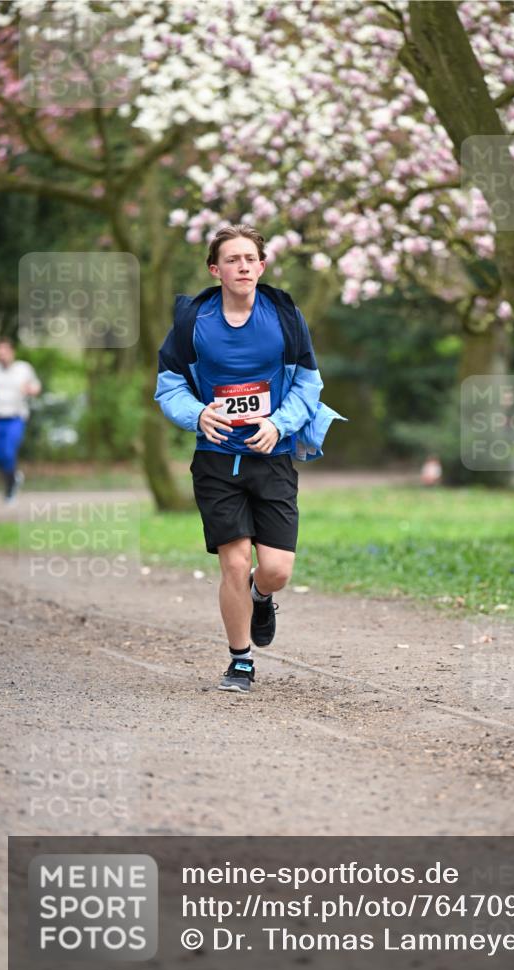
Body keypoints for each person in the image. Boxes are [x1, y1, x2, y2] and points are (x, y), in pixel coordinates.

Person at [154, 224, 345, 693]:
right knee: (235, 564)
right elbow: (169, 386)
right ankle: (240, 661)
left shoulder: (283, 317)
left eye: (249, 259)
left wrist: (279, 423)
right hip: (217, 460)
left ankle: (262, 597)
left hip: (273, 456)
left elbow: (308, 384)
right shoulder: (193, 322)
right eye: (231, 259)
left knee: (275, 569)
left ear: (261, 266)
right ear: (215, 269)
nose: (242, 266)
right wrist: (198, 415)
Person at [0, 338, 41, 502]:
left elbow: (36, 387)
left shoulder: (23, 368)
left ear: (12, 352)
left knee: (8, 452)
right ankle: (14, 478)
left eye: (4, 351)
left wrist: (30, 389)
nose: (1, 355)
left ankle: (9, 489)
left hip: (15, 417)